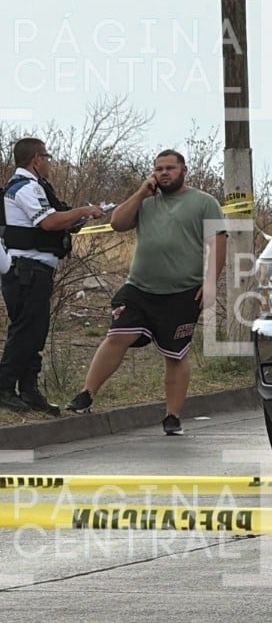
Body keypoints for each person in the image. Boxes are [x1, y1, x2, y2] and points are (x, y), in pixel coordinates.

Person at [66, 149, 228, 435]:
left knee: (175, 355)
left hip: (182, 292)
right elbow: (117, 223)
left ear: (183, 170)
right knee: (118, 335)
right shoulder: (145, 201)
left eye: (170, 168)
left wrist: (210, 283)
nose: (164, 173)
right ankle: (86, 394)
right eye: (158, 169)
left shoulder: (204, 202)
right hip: (139, 288)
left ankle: (172, 417)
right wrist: (140, 193)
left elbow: (218, 244)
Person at [0, 138, 105, 415]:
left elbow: (57, 221)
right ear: (36, 159)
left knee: (35, 333)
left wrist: (79, 219)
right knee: (25, 332)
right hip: (26, 270)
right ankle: (5, 388)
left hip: (36, 270)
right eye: (47, 155)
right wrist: (83, 210)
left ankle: (29, 389)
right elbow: (47, 222)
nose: (49, 160)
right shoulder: (23, 187)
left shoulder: (38, 187)